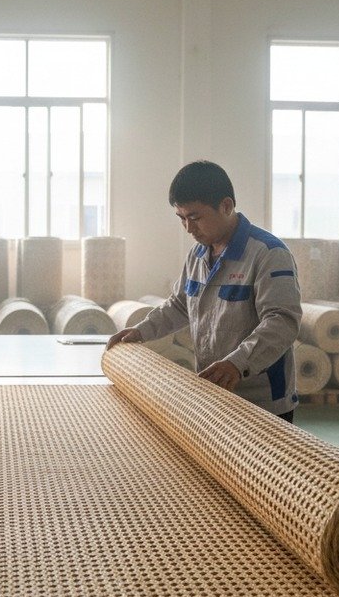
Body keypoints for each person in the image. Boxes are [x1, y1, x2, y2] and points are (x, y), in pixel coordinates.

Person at [106, 160, 302, 422]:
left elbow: (282, 323)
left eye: (195, 217)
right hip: (215, 390)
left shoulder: (268, 254)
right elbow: (178, 305)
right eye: (182, 218)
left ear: (226, 206)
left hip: (262, 401)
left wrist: (237, 363)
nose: (188, 228)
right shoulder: (198, 254)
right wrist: (141, 330)